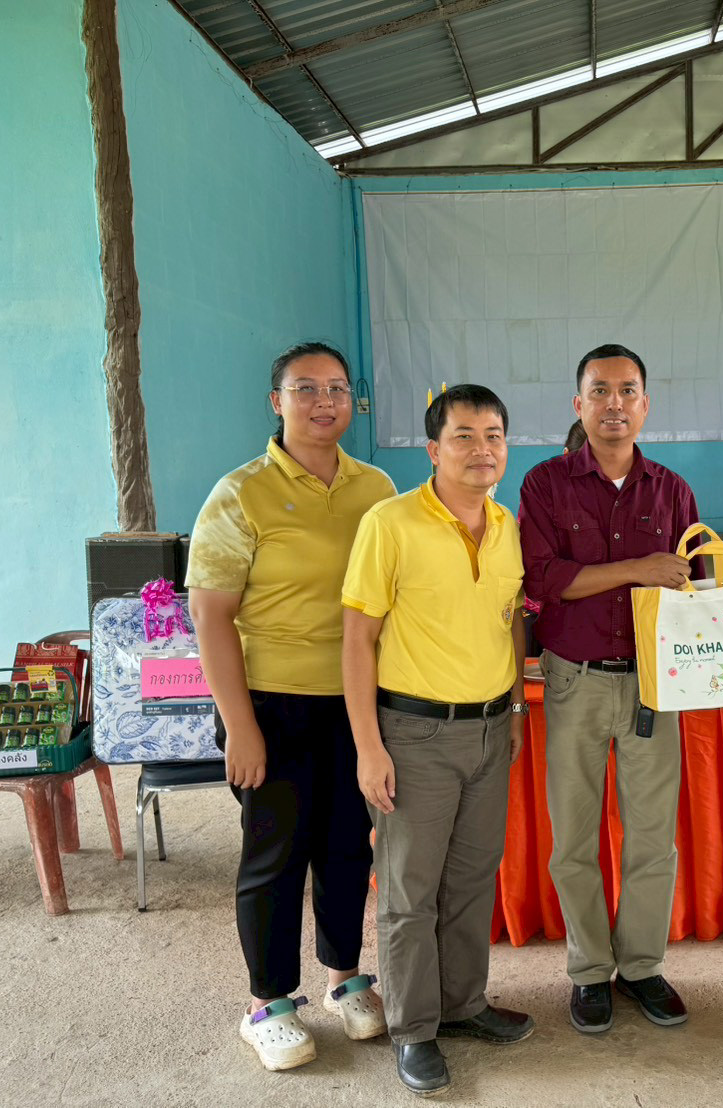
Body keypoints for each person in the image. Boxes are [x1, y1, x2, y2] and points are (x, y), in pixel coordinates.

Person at [188, 341, 395, 1071]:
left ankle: (344, 979)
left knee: (346, 846)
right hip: (270, 704)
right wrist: (240, 726)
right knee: (275, 854)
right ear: (276, 403)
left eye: (336, 388)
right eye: (305, 388)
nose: (323, 402)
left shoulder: (376, 488)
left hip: (356, 701)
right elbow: (210, 616)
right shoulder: (240, 493)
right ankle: (267, 1003)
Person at [341, 384, 533, 1097]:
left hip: (490, 728)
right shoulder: (389, 523)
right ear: (432, 448)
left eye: (493, 436)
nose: (481, 450)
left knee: (473, 878)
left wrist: (516, 707)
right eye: (463, 436)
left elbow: (511, 617)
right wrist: (369, 746)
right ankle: (413, 1028)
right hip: (414, 733)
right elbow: (357, 639)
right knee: (409, 891)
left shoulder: (506, 525)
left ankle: (463, 1004)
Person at [518, 343, 700, 1034]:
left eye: (627, 391)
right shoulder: (545, 484)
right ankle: (590, 971)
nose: (614, 403)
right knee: (573, 834)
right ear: (579, 404)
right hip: (575, 679)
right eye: (600, 390)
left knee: (652, 836)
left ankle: (642, 966)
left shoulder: (673, 491)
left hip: (656, 682)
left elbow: (693, 583)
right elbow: (543, 580)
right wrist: (638, 568)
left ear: (645, 405)